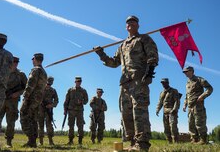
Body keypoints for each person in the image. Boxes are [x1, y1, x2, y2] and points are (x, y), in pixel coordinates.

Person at [94, 15, 158, 151]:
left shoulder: (144, 39)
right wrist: (101, 55)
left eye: (133, 22)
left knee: (139, 111)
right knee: (126, 113)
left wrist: (149, 72)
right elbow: (114, 63)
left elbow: (153, 55)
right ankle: (133, 142)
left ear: (138, 25)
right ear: (125, 27)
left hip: (138, 80)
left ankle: (142, 144)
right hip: (124, 83)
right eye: (128, 23)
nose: (130, 24)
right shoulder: (122, 45)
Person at [20, 53, 47, 148]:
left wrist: (25, 96)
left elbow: (30, 84)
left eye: (33, 59)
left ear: (35, 59)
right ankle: (33, 141)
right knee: (33, 119)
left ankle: (31, 139)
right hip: (38, 99)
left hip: (31, 98)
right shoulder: (44, 72)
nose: (32, 61)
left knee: (24, 115)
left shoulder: (35, 70)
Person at [0, 56, 27, 148]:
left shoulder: (21, 74)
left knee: (11, 122)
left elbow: (26, 88)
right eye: (13, 62)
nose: (15, 63)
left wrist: (17, 93)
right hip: (1, 99)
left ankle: (9, 142)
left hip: (13, 101)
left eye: (16, 62)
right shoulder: (3, 72)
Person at [182, 66, 213, 145]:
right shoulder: (188, 82)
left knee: (199, 123)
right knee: (191, 124)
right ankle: (194, 139)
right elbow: (187, 95)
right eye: (184, 72)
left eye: (186, 71)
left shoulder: (199, 79)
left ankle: (203, 140)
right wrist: (184, 104)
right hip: (190, 107)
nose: (185, 73)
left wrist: (202, 96)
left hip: (198, 105)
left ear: (191, 71)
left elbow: (210, 88)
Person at [63, 76, 88, 145]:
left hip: (80, 111)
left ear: (81, 82)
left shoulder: (83, 91)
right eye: (77, 81)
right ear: (75, 82)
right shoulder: (70, 90)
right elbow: (66, 101)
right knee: (71, 125)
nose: (78, 82)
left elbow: (86, 100)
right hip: (71, 111)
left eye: (79, 81)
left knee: (80, 126)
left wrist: (82, 102)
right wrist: (65, 110)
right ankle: (70, 140)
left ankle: (80, 141)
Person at [156, 78, 181, 143]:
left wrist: (174, 109)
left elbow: (177, 101)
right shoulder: (162, 92)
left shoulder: (174, 91)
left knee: (173, 126)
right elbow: (160, 102)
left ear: (168, 83)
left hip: (172, 111)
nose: (163, 84)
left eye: (164, 82)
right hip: (165, 112)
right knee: (166, 128)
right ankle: (169, 141)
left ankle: (176, 141)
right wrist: (157, 109)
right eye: (162, 83)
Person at [38, 76, 59, 146]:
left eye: (50, 84)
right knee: (40, 125)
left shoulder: (53, 90)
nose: (48, 85)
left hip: (49, 110)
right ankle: (40, 141)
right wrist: (39, 102)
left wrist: (51, 105)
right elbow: (35, 97)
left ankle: (51, 141)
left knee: (49, 125)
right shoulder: (40, 89)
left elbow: (56, 100)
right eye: (48, 83)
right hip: (40, 109)